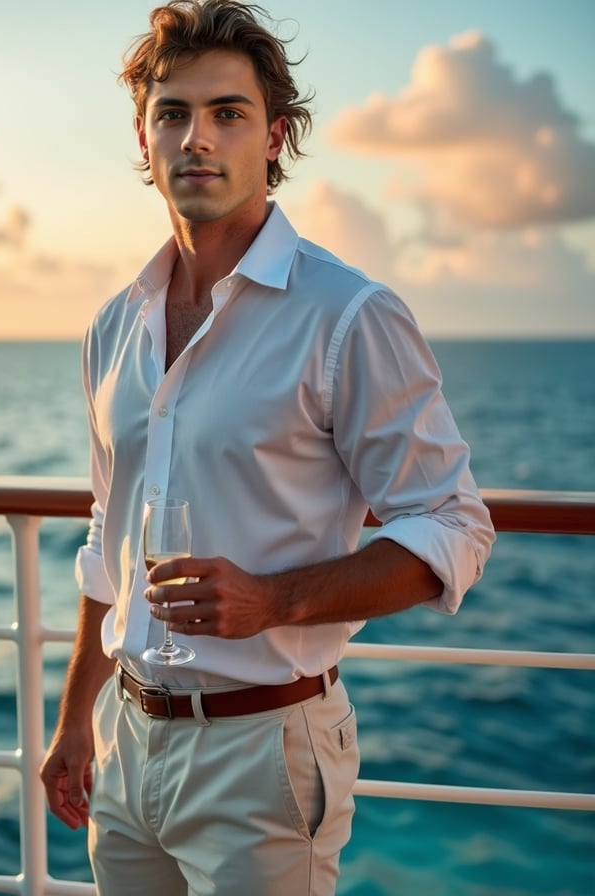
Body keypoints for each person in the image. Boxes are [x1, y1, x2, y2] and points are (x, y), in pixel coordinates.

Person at [40, 2, 496, 893]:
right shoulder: (113, 327)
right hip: (127, 744)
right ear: (144, 137)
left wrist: (271, 600)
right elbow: (110, 541)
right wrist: (73, 720)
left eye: (228, 113)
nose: (196, 138)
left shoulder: (346, 315)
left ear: (274, 135)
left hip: (266, 753)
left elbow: (455, 526)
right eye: (172, 113)